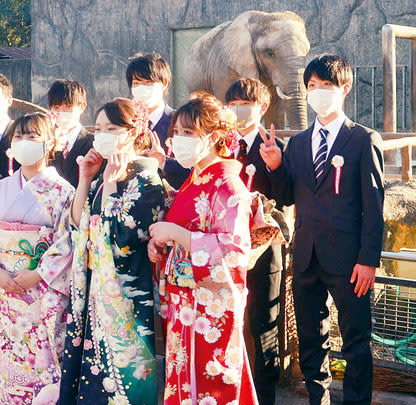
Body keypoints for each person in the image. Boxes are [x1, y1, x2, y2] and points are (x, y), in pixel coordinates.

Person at [259, 54, 384, 405]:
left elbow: (373, 206)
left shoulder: (362, 139)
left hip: (350, 261)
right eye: (312, 86)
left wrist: (369, 260)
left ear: (344, 89)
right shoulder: (298, 143)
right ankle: (319, 399)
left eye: (325, 86)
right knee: (312, 341)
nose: (317, 93)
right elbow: (286, 196)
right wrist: (275, 167)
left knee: (356, 341)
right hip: (306, 257)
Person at [148, 91, 258, 405]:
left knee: (210, 381)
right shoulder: (196, 177)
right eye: (177, 133)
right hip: (185, 304)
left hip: (208, 306)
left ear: (215, 137)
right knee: (183, 379)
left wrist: (177, 235)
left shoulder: (227, 183)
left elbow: (232, 252)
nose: (179, 140)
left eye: (189, 133)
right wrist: (164, 241)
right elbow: (184, 222)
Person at [59, 98, 165, 405]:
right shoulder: (105, 174)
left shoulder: (147, 179)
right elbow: (78, 225)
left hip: (125, 296)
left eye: (112, 128)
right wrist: (86, 179)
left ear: (133, 132)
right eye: (99, 128)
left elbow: (122, 241)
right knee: (90, 372)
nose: (102, 135)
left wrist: (111, 185)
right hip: (94, 290)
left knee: (122, 377)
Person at [0, 112, 75, 404]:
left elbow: (68, 241)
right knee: (5, 367)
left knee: (41, 369)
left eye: (33, 137)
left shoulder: (64, 193)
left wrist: (37, 274)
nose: (24, 142)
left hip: (41, 294)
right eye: (19, 136)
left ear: (50, 143)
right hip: (4, 294)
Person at [225, 77, 286, 405]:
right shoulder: (221, 146)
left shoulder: (273, 146)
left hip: (263, 252)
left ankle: (265, 397)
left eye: (245, 103)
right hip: (226, 252)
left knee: (263, 327)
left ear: (262, 107)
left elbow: (285, 196)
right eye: (232, 104)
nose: (238, 110)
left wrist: (275, 166)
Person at [126, 53, 190, 189]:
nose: (142, 88)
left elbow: (192, 171)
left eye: (148, 83)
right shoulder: (125, 124)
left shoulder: (181, 122)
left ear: (164, 84)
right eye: (136, 83)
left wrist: (164, 162)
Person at [48, 79, 94, 187]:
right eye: (56, 107)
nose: (61, 113)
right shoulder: (46, 143)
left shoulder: (92, 143)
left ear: (82, 107)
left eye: (68, 107)